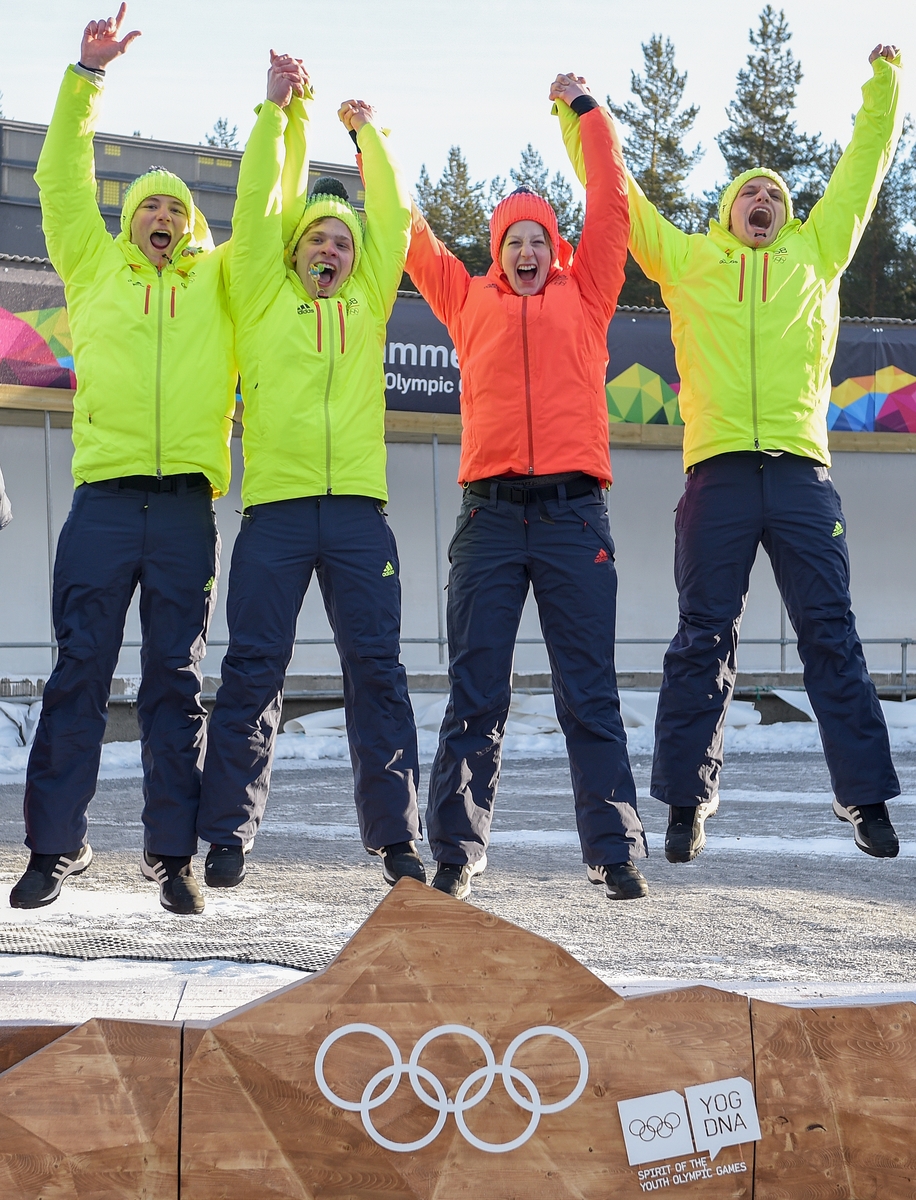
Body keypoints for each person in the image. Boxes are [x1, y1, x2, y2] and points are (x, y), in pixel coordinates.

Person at [560, 44, 904, 863]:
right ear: (726, 211)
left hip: (800, 474)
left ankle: (864, 798)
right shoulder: (689, 263)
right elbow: (621, 201)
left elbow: (860, 172)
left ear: (789, 216)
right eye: (749, 191)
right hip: (715, 475)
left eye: (776, 194)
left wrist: (886, 83)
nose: (763, 199)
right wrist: (580, 116)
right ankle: (685, 802)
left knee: (831, 633)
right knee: (702, 637)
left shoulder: (816, 257)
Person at [11, 5, 237, 915]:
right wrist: (87, 77)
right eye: (149, 205)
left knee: (173, 683)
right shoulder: (94, 267)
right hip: (104, 504)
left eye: (176, 210)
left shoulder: (219, 284)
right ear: (127, 219)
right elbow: (59, 179)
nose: (162, 218)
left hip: (185, 506)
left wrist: (283, 118)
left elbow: (263, 209)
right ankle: (53, 850)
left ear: (191, 230)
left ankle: (172, 856)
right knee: (79, 674)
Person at [406, 73, 648, 902]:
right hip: (491, 521)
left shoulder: (590, 296)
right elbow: (409, 232)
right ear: (496, 250)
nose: (526, 252)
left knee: (590, 692)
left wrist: (583, 113)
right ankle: (456, 853)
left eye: (538, 238)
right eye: (512, 239)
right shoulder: (466, 302)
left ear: (556, 248)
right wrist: (371, 144)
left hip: (577, 517)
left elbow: (610, 198)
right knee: (477, 692)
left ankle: (613, 851)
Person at [196, 54, 423, 890]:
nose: (331, 248)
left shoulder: (367, 304)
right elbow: (255, 210)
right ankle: (226, 834)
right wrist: (275, 113)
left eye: (342, 242)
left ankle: (397, 839)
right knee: (253, 669)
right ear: (293, 254)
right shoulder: (258, 296)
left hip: (360, 514)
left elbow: (392, 222)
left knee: (378, 671)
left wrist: (366, 137)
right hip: (279, 515)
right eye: (318, 239)